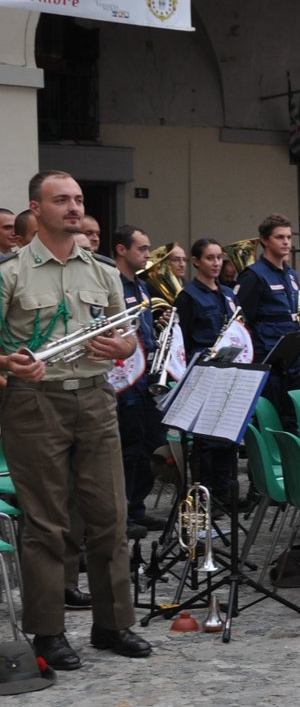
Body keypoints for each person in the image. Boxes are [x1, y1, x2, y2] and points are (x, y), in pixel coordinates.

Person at [0, 171, 151, 669]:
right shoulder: (10, 272)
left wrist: (121, 345)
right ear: (36, 209)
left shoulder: (104, 271)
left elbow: (128, 338)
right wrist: (10, 363)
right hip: (35, 401)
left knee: (110, 515)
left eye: (78, 200)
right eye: (60, 200)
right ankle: (48, 632)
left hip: (95, 398)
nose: (73, 208)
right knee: (47, 523)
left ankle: (113, 625)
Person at [109, 224, 167, 531]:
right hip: (126, 383)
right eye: (142, 249)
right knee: (128, 448)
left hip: (147, 381)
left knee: (152, 445)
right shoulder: (113, 285)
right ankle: (126, 512)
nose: (147, 254)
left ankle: (139, 505)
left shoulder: (141, 286)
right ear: (121, 249)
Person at [174, 237, 240, 505]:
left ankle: (225, 496)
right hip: (203, 372)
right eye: (210, 258)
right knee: (206, 440)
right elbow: (183, 340)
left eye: (219, 258)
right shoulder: (188, 296)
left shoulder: (226, 293)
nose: (216, 263)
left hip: (229, 372)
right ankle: (204, 497)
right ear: (196, 262)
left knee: (226, 438)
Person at [236, 213, 300, 423]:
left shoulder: (291, 274)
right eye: (279, 237)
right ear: (265, 240)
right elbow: (242, 322)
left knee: (294, 421)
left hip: (292, 361)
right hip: (268, 361)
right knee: (271, 421)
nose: (286, 242)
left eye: (288, 237)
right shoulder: (254, 276)